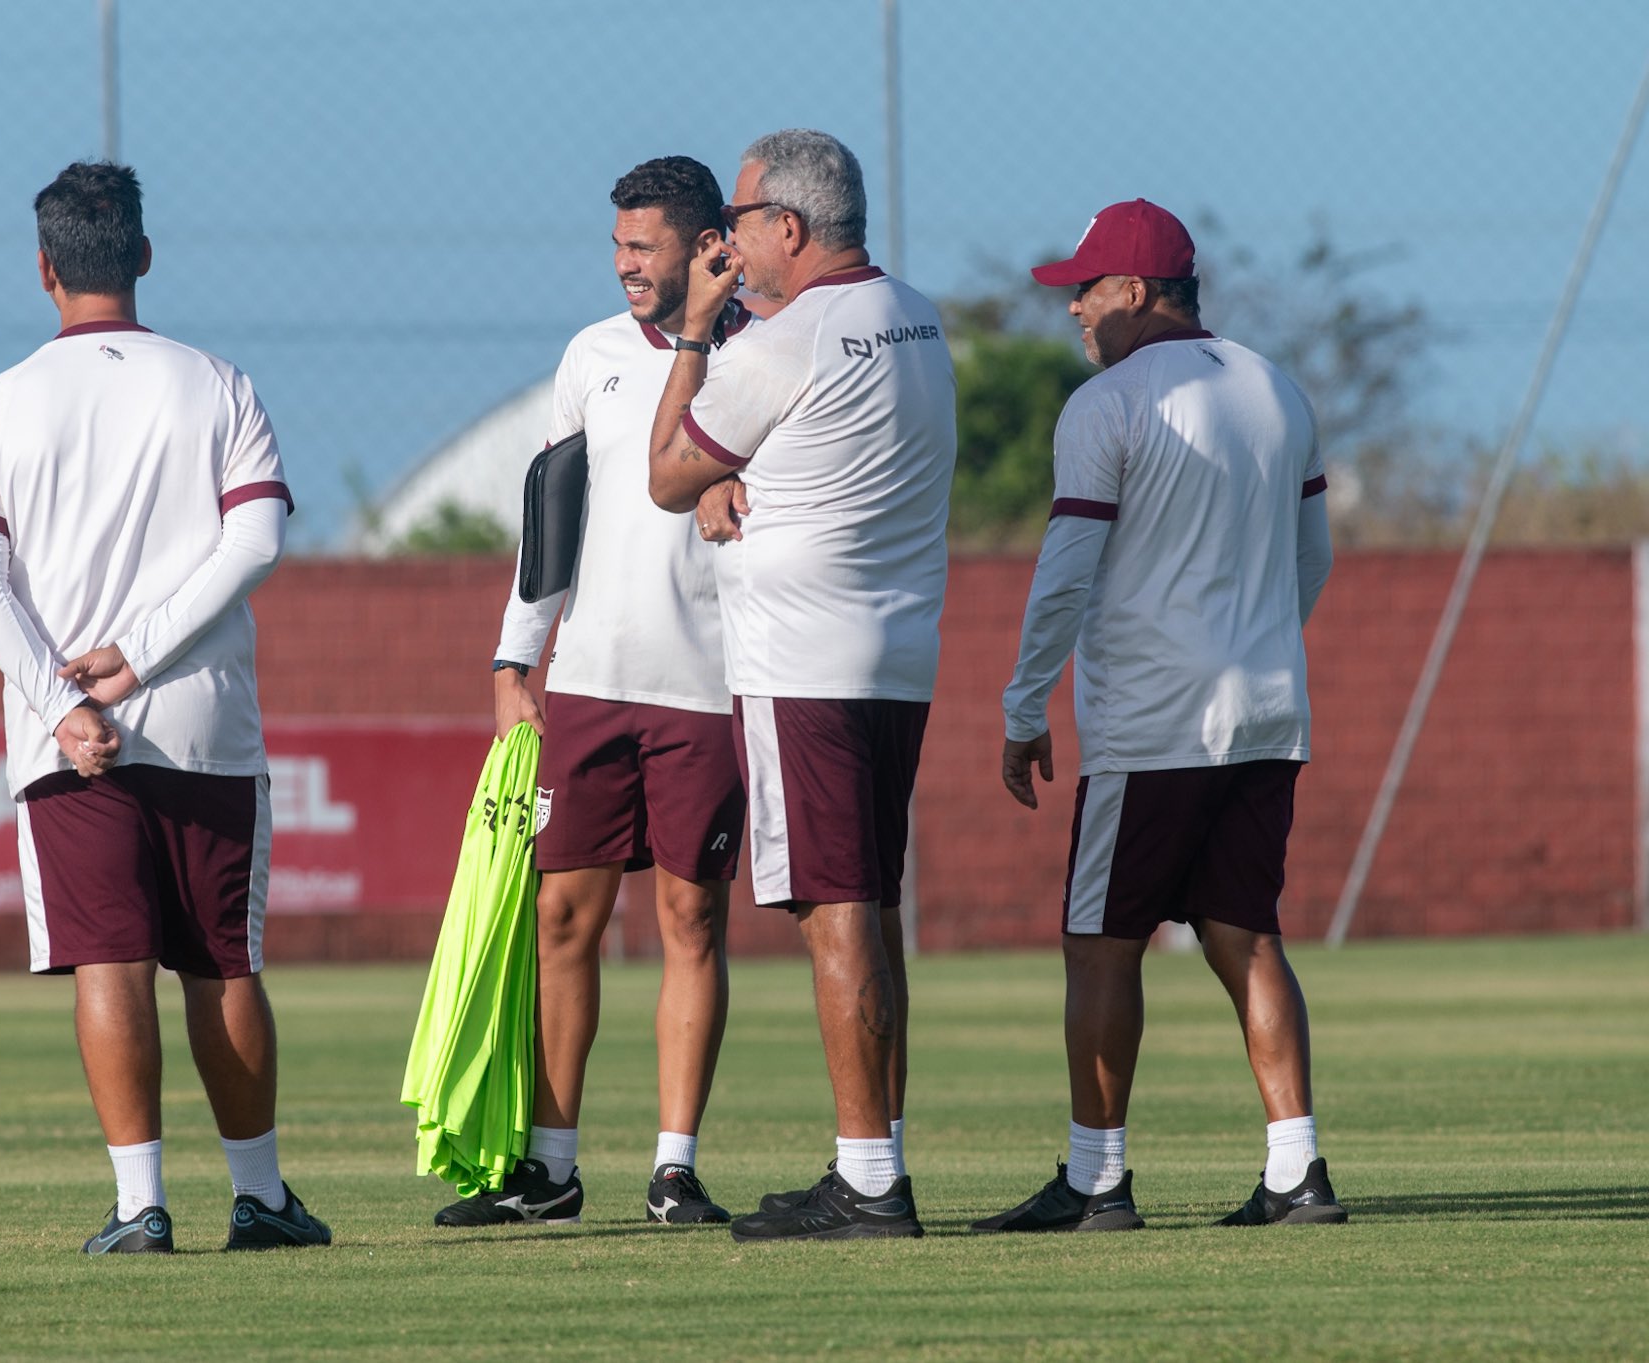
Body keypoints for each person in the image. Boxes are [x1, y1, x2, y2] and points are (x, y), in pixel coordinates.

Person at [0, 161, 330, 1255]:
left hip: (66, 741)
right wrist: (139, 659)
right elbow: (254, 539)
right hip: (204, 719)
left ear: (46, 268)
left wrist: (64, 697)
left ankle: (137, 1207)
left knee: (108, 961)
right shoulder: (218, 382)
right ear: (145, 257)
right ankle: (260, 1199)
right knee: (221, 962)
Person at [974, 199, 1344, 1233]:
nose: (1074, 313)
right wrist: (1258, 638)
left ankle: (1096, 1181)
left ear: (1134, 293)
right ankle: (1295, 1172)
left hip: (1149, 725)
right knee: (1249, 939)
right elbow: (1311, 560)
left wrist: (1020, 703)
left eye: (1084, 291)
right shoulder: (1276, 388)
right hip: (1266, 715)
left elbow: (1063, 572)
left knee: (1098, 942)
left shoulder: (1107, 404)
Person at [433, 156, 752, 1230]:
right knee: (561, 917)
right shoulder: (590, 356)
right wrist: (511, 663)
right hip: (587, 688)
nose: (623, 264)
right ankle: (550, 1169)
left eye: (642, 245)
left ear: (708, 245)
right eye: (616, 245)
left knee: (688, 918)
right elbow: (549, 522)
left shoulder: (763, 353)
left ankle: (673, 1167)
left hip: (708, 691)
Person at [648, 129, 956, 1241]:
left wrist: (692, 330)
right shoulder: (915, 317)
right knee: (867, 908)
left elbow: (664, 471)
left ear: (789, 227)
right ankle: (874, 1158)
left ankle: (869, 1181)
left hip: (800, 664)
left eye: (735, 219)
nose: (721, 238)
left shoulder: (783, 341)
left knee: (834, 914)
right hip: (896, 653)